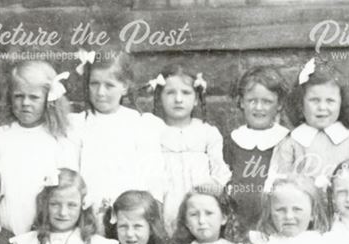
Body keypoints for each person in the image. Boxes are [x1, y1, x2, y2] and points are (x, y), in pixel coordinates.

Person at [0, 60, 81, 234]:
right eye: (19, 96)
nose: (25, 103)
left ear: (49, 99)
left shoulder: (60, 141)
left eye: (34, 97)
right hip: (5, 233)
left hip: (46, 234)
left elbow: (69, 191)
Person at [74, 50, 165, 218]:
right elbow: (72, 174)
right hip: (88, 214)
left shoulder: (139, 124)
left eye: (109, 85)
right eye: (94, 84)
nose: (100, 92)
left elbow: (153, 175)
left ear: (124, 86)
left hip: (130, 216)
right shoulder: (78, 124)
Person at [150, 64, 232, 232]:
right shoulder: (153, 131)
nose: (178, 99)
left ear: (196, 98)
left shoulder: (207, 132)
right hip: (164, 203)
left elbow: (220, 171)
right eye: (170, 93)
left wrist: (213, 185)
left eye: (186, 93)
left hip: (199, 203)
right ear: (159, 97)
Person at [268, 58, 349, 184]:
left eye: (330, 101)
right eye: (314, 100)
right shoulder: (291, 144)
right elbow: (278, 185)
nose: (322, 107)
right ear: (301, 104)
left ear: (341, 103)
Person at [222, 66, 290, 230]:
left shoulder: (287, 140)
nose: (259, 108)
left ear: (279, 104)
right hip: (240, 221)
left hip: (276, 222)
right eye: (252, 101)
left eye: (267, 102)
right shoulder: (233, 140)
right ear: (241, 102)